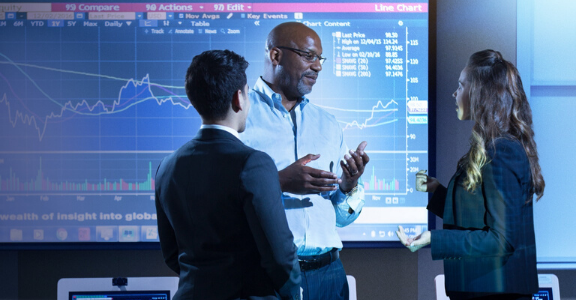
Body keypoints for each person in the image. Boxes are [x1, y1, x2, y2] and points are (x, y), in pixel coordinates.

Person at [397, 49, 545, 300]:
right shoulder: (493, 147)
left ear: (481, 94)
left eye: (461, 86)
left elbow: (501, 241)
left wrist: (434, 238)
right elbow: (478, 215)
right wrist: (436, 191)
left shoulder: (502, 152)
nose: (454, 93)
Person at [154, 49, 302, 300]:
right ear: (239, 98)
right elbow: (280, 256)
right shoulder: (253, 163)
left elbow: (171, 254)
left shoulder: (166, 166)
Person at [239, 22, 370, 300]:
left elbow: (340, 218)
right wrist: (278, 181)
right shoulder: (239, 116)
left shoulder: (328, 124)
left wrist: (347, 186)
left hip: (329, 275)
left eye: (319, 59)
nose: (318, 67)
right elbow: (218, 200)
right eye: (308, 56)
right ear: (275, 56)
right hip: (266, 277)